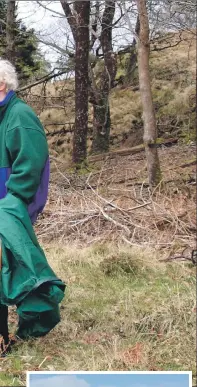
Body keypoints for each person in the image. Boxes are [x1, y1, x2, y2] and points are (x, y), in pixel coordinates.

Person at [0, 59, 65, 356]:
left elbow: (30, 167)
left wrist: (13, 202)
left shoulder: (19, 116)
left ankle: (5, 339)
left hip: (8, 210)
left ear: (2, 83)